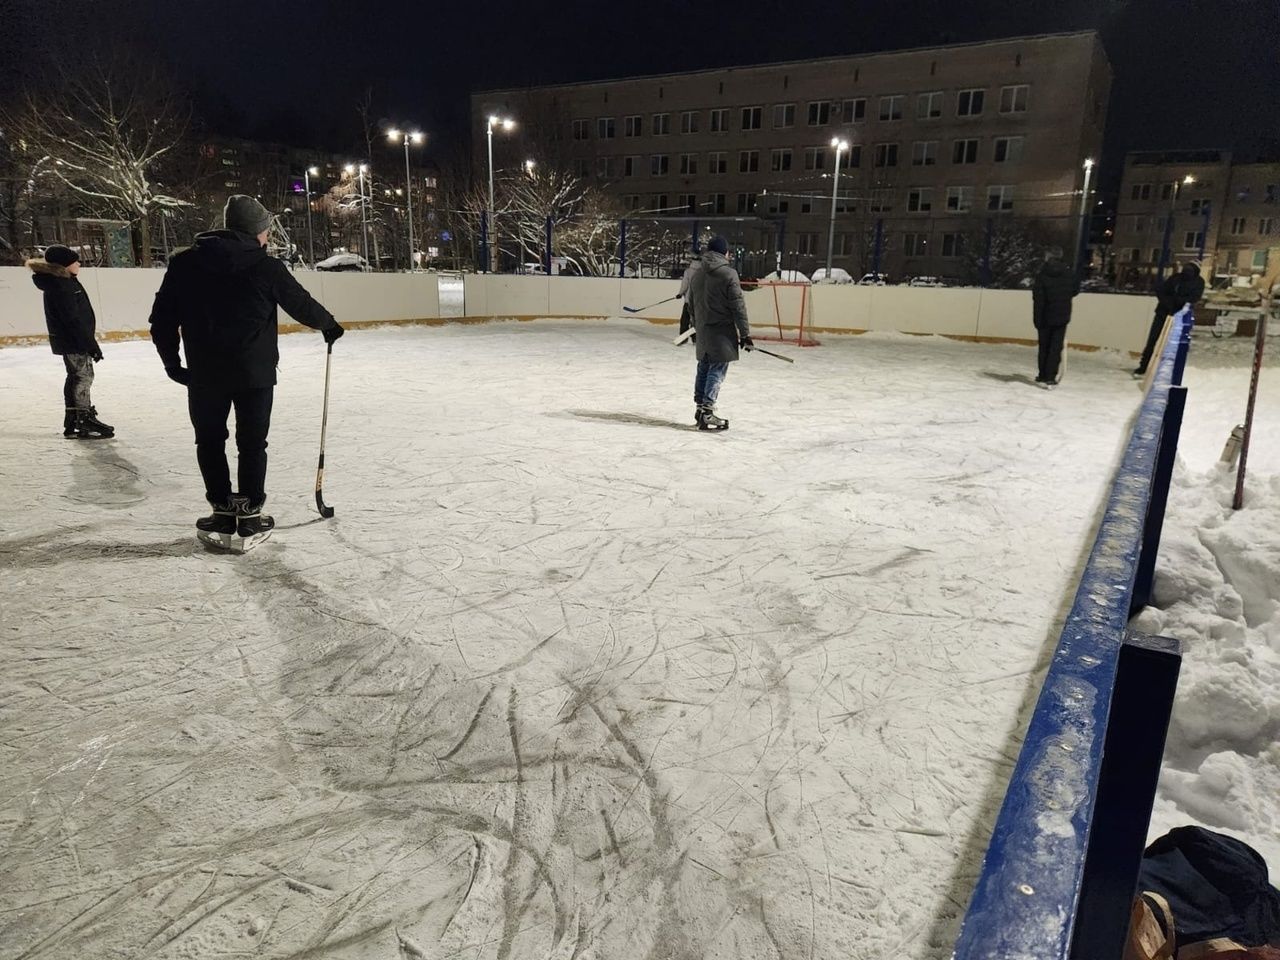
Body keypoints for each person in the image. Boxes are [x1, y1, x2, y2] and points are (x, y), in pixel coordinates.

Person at [149, 195, 344, 544]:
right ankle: (250, 513)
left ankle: (223, 512)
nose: (268, 236)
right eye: (266, 229)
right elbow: (299, 302)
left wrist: (171, 362)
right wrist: (328, 324)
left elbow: (162, 319)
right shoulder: (265, 266)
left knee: (209, 441)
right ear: (256, 231)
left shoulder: (185, 264)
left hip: (204, 374)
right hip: (255, 373)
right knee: (253, 443)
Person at [26, 244, 114, 439]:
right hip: (73, 340)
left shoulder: (64, 281)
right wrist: (91, 344)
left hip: (72, 338)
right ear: (65, 265)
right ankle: (83, 419)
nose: (79, 263)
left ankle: (74, 419)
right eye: (75, 261)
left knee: (76, 376)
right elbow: (72, 319)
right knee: (83, 377)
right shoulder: (61, 285)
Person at [687, 235, 752, 430]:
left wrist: (696, 325)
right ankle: (707, 411)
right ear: (724, 252)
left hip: (703, 329)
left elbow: (691, 305)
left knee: (704, 365)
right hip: (721, 330)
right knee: (717, 368)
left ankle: (700, 409)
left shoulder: (697, 274)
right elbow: (738, 306)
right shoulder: (728, 274)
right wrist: (745, 334)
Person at [1134, 262, 1205, 376]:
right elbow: (1161, 291)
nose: (1186, 271)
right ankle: (1144, 365)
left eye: (1190, 270)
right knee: (1152, 339)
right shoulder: (1175, 278)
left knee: (1172, 344)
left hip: (1180, 316)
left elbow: (1194, 298)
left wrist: (1178, 302)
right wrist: (1168, 303)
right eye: (1186, 268)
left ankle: (1166, 369)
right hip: (1162, 312)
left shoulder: (1198, 282)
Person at [1031, 250, 1078, 389]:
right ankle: (1050, 376)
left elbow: (1038, 298)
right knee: (1056, 347)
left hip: (1045, 315)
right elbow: (1075, 290)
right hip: (1062, 314)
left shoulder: (1042, 275)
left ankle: (1043, 374)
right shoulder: (1069, 274)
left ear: (1048, 257)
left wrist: (1037, 318)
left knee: (1044, 345)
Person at [676, 249, 702, 342]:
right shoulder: (704, 272)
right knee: (697, 321)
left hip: (689, 300)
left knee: (685, 320)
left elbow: (685, 285)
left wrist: (680, 293)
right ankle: (696, 338)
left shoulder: (688, 272)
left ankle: (683, 338)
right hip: (699, 301)